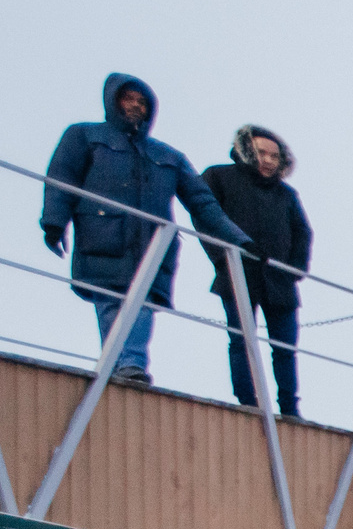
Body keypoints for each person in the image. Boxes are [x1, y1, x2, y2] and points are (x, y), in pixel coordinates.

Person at [40, 73, 252, 386]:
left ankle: (127, 366)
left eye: (142, 102)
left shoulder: (168, 156)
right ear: (113, 100)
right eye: (129, 99)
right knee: (112, 301)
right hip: (104, 237)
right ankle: (124, 365)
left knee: (141, 305)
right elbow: (62, 179)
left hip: (153, 245)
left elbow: (203, 204)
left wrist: (241, 241)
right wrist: (54, 223)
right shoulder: (84, 136)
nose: (136, 106)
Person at [201, 126, 312, 419]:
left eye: (275, 156)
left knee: (285, 348)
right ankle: (247, 403)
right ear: (246, 151)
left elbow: (303, 232)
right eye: (261, 152)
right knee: (241, 341)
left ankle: (290, 408)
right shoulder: (219, 177)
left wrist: (295, 270)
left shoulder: (287, 194)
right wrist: (223, 259)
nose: (268, 160)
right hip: (238, 273)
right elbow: (205, 219)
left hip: (279, 279)